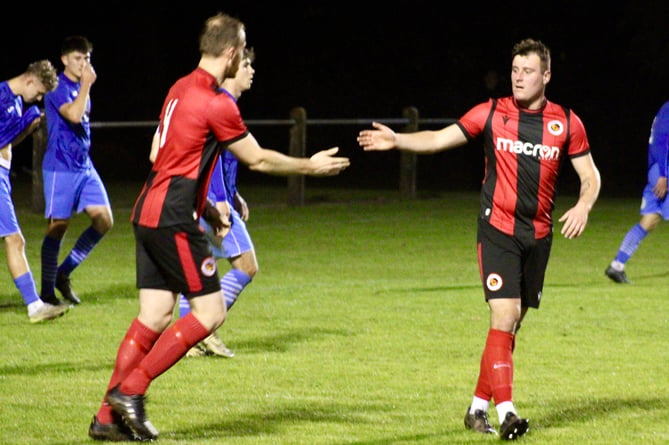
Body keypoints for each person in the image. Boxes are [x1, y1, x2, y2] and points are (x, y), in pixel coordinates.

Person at [88, 12, 349, 442]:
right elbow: (258, 158)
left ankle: (105, 418)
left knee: (153, 316)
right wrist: (310, 166)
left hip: (147, 212)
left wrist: (207, 207)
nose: (244, 58)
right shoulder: (216, 101)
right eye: (242, 51)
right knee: (210, 313)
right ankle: (130, 392)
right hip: (173, 219)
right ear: (230, 53)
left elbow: (166, 155)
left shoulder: (179, 87)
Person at [358, 38, 601, 440]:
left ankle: (476, 409)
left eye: (528, 71)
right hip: (497, 230)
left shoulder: (567, 122)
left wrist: (584, 206)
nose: (519, 78)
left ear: (546, 76)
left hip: (538, 236)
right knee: (503, 317)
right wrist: (399, 140)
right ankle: (507, 413)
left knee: (509, 328)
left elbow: (590, 176)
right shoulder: (491, 112)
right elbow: (439, 138)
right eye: (515, 70)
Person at [154, 48, 258, 359]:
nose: (252, 70)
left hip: (206, 200)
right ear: (232, 66)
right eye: (248, 64)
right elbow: (205, 157)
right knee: (246, 265)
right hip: (207, 203)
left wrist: (234, 192)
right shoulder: (218, 104)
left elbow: (222, 160)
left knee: (204, 270)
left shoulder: (221, 102)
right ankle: (201, 329)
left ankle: (194, 332)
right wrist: (220, 200)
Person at [40, 35, 113, 306]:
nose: (84, 63)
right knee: (58, 226)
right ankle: (47, 291)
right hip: (61, 166)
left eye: (87, 58)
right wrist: (85, 86)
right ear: (64, 60)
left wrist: (84, 88)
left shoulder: (81, 87)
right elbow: (72, 114)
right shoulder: (57, 86)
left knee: (104, 220)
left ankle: (63, 273)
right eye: (78, 58)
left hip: (84, 165)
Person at [0, 60, 69, 323]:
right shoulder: (1, 95)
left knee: (14, 240)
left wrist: (25, 130)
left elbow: (7, 140)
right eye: (39, 92)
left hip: (3, 173)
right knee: (15, 240)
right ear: (29, 80)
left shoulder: (17, 103)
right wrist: (21, 125)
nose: (38, 98)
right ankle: (34, 306)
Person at [605, 100, 669, 284]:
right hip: (663, 171)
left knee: (649, 221)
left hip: (657, 170)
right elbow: (661, 143)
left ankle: (617, 265)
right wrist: (663, 175)